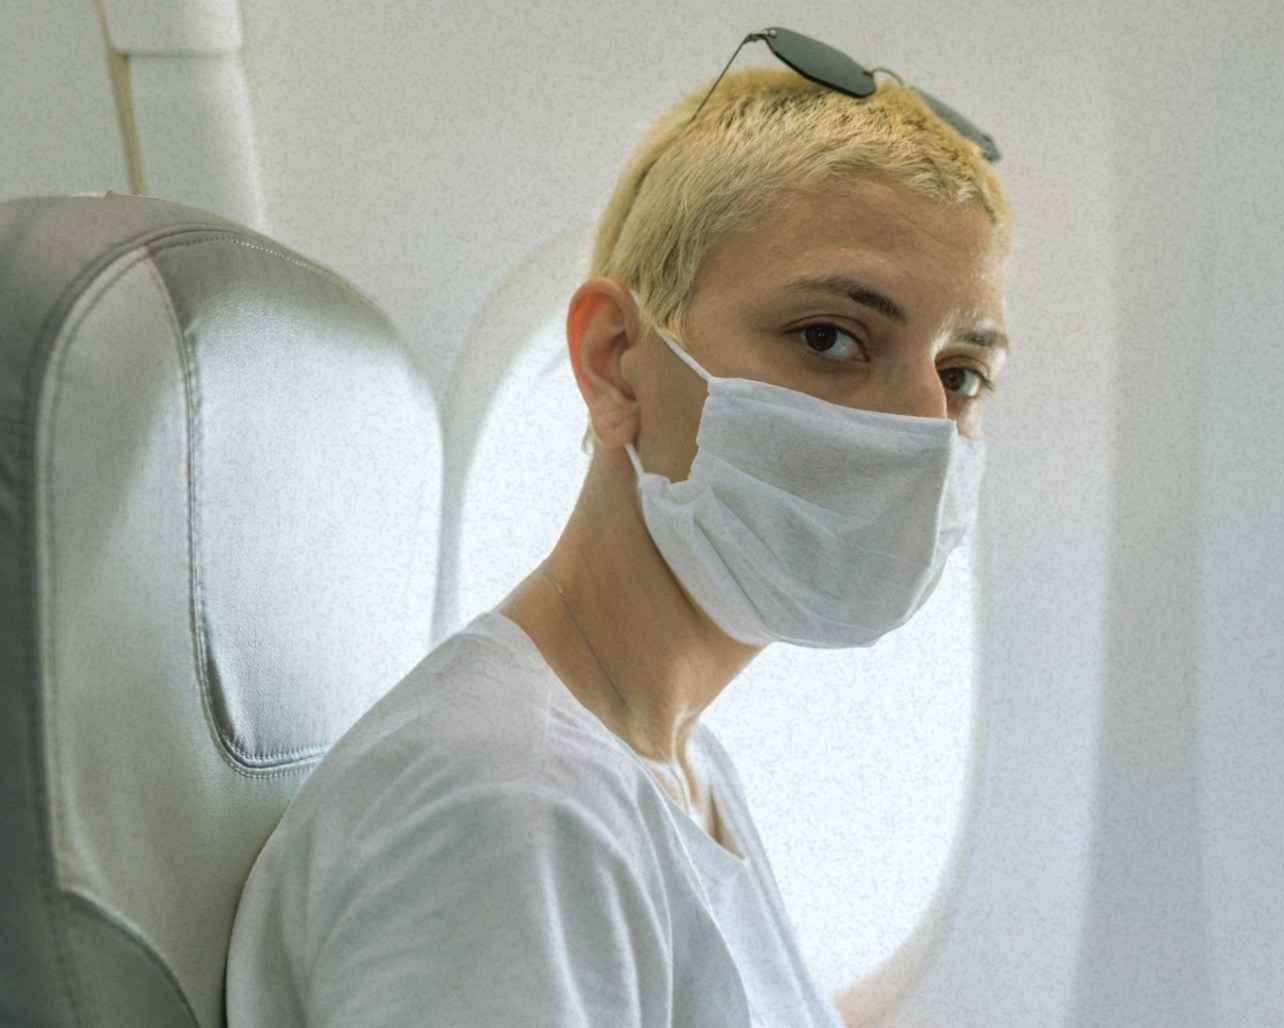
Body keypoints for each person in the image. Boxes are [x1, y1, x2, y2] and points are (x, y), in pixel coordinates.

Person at [226, 39, 1011, 1026]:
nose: (925, 427)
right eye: (829, 337)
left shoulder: (679, 765)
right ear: (614, 362)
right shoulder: (510, 807)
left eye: (961, 373)